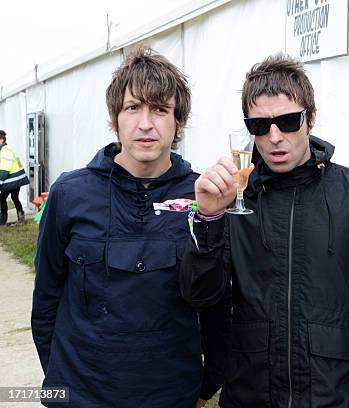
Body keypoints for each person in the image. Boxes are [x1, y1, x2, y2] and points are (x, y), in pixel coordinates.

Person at [180, 53, 349, 407]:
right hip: (251, 396)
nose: (274, 137)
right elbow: (201, 296)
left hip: (338, 398)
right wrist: (208, 220)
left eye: (288, 121)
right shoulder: (233, 198)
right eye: (259, 125)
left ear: (311, 118)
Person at [31, 45, 228, 407]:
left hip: (169, 394)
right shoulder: (70, 194)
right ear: (114, 118)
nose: (145, 124)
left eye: (160, 109)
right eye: (133, 107)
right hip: (83, 392)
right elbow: (46, 299)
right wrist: (61, 380)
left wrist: (205, 387)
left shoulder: (204, 196)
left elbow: (218, 307)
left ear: (178, 121)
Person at [0, 130, 29, 225]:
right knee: (14, 197)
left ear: (1, 140)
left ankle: (3, 220)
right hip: (17, 178)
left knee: (2, 198)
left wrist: (0, 181)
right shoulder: (7, 149)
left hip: (13, 180)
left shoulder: (5, 151)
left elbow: (5, 169)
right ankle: (21, 218)